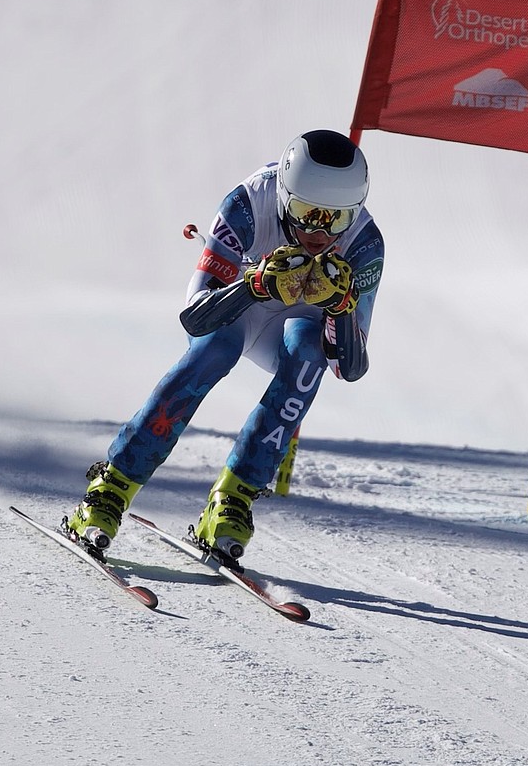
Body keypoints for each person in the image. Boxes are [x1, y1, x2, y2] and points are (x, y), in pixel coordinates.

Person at [64, 129, 383, 564]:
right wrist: (253, 285)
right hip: (237, 310)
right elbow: (195, 318)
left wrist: (342, 308)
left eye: (335, 220)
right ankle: (113, 485)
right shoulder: (248, 204)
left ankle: (234, 498)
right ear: (286, 197)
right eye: (307, 213)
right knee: (213, 349)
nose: (317, 233)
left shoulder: (364, 243)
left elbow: (349, 368)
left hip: (295, 327)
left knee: (308, 355)